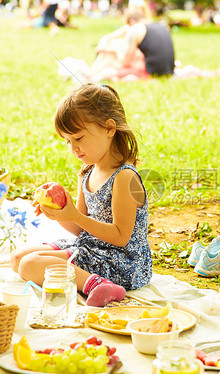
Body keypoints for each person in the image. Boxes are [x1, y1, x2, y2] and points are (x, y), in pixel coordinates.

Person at [11, 83, 152, 307]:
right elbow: (79, 229)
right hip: (92, 247)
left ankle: (97, 285)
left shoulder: (124, 177)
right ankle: (88, 279)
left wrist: (75, 216)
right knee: (18, 258)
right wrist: (60, 213)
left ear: (109, 129)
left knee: (29, 265)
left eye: (78, 138)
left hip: (122, 262)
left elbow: (120, 237)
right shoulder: (87, 172)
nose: (73, 149)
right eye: (68, 141)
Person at [121, 9, 175, 77]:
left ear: (131, 21)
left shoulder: (135, 29)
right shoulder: (161, 26)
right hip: (169, 70)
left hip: (152, 72)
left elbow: (126, 61)